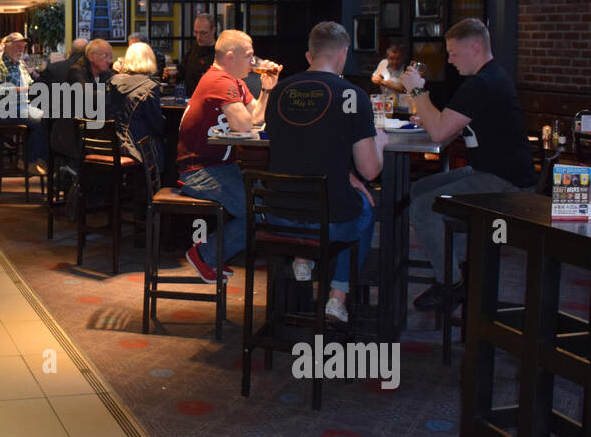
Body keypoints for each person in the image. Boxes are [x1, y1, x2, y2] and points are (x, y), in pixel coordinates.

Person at [401, 18, 536, 313]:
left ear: (474, 47)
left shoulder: (483, 83)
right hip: (491, 171)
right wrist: (430, 117)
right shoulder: (488, 78)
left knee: (424, 206)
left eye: (453, 53)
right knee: (420, 188)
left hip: (508, 183)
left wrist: (415, 92)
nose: (449, 61)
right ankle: (459, 263)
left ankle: (451, 284)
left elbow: (438, 133)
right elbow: (449, 125)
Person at [263, 22, 389, 324]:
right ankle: (337, 296)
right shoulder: (352, 95)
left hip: (277, 216)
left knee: (346, 197)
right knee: (366, 208)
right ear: (343, 54)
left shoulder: (279, 91)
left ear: (310, 55)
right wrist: (381, 143)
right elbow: (370, 171)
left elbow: (299, 151)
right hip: (328, 222)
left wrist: (346, 175)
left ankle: (302, 259)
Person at [175, 29, 281, 282]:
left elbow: (256, 118)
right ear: (230, 56)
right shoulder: (219, 81)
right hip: (198, 171)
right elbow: (244, 126)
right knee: (258, 211)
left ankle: (212, 254)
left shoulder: (235, 81)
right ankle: (205, 254)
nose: (254, 62)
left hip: (221, 167)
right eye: (250, 56)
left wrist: (267, 90)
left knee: (265, 206)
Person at [0, 32, 50, 175]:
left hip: (21, 106)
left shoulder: (20, 66)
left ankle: (38, 159)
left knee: (50, 118)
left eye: (22, 47)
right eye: (17, 47)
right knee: (41, 120)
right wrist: (22, 89)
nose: (20, 50)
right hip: (5, 109)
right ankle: (29, 161)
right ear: (6, 47)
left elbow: (31, 84)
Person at [106, 42, 166, 170]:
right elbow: (157, 124)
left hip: (111, 146)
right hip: (138, 151)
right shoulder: (149, 87)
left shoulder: (113, 81)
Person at [179, 13, 217, 94]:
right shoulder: (192, 50)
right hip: (190, 99)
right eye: (196, 32)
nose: (199, 37)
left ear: (213, 30)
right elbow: (180, 73)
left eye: (203, 33)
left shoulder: (220, 53)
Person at [370, 42, 408, 110]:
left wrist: (384, 82)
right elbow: (373, 78)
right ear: (387, 58)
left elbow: (403, 89)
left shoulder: (406, 68)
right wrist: (376, 80)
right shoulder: (383, 63)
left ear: (402, 58)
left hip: (402, 108)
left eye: (398, 58)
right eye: (392, 59)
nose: (395, 62)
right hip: (385, 105)